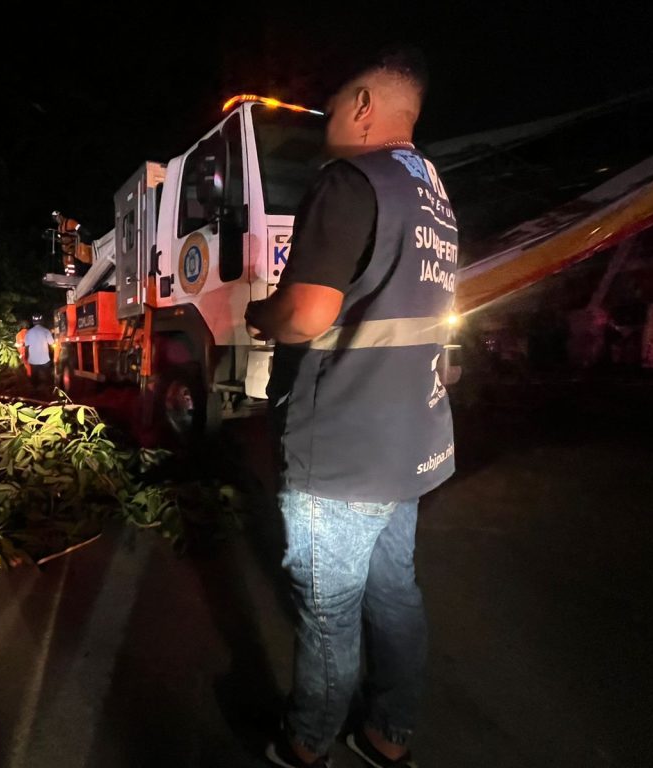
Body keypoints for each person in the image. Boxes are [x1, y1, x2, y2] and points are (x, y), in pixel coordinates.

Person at [245, 47, 458, 768]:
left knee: (330, 609)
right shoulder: (432, 192)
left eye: (335, 108)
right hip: (412, 440)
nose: (329, 123)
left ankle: (306, 744)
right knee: (394, 590)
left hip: (343, 448)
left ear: (365, 106)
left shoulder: (349, 180)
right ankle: (388, 733)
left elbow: (305, 316)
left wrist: (262, 314)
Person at [24, 313, 54, 390]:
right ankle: (49, 390)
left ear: (33, 321)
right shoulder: (46, 331)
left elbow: (26, 346)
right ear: (41, 321)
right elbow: (51, 343)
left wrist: (26, 358)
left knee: (34, 377)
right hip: (45, 359)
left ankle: (35, 391)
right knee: (48, 376)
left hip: (33, 360)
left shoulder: (29, 332)